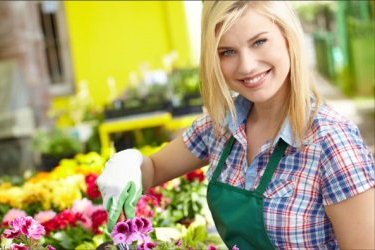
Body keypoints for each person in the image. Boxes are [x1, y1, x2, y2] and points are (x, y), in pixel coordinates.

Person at [97, 1, 375, 249]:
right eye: (227, 52)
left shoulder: (332, 141)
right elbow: (154, 169)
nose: (246, 66)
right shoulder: (219, 127)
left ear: (288, 38)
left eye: (259, 42)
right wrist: (128, 163)